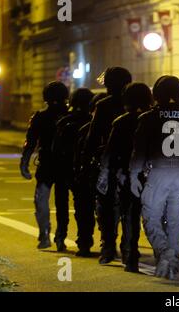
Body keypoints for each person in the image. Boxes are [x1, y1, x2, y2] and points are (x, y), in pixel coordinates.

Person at [129, 76, 179, 280]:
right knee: (175, 219)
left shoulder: (148, 118)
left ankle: (165, 253)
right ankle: (172, 262)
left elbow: (138, 152)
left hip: (157, 174)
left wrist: (133, 175)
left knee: (151, 218)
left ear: (157, 94)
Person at [96, 83, 153, 272]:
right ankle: (132, 254)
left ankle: (127, 255)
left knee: (127, 214)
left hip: (124, 174)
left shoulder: (121, 122)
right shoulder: (154, 120)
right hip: (151, 174)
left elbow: (109, 151)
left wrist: (104, 175)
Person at [83, 67, 132, 264]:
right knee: (131, 206)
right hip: (134, 162)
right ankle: (128, 245)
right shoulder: (138, 106)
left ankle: (108, 245)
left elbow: (92, 137)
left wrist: (86, 160)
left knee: (105, 205)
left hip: (109, 162)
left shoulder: (103, 106)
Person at [20, 81, 69, 249]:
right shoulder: (70, 115)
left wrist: (24, 163)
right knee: (62, 203)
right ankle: (60, 238)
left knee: (41, 200)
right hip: (64, 164)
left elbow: (30, 142)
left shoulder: (40, 116)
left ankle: (45, 234)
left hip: (47, 164)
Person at [52, 88, 94, 252]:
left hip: (63, 168)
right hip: (83, 169)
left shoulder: (64, 121)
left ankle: (61, 235)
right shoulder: (92, 121)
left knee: (62, 205)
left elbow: (55, 148)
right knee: (85, 206)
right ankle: (85, 240)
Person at [72, 93, 106, 256]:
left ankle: (84, 242)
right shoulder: (124, 124)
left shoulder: (85, 129)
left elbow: (82, 153)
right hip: (111, 174)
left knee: (84, 208)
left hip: (90, 174)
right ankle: (111, 243)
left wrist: (79, 171)